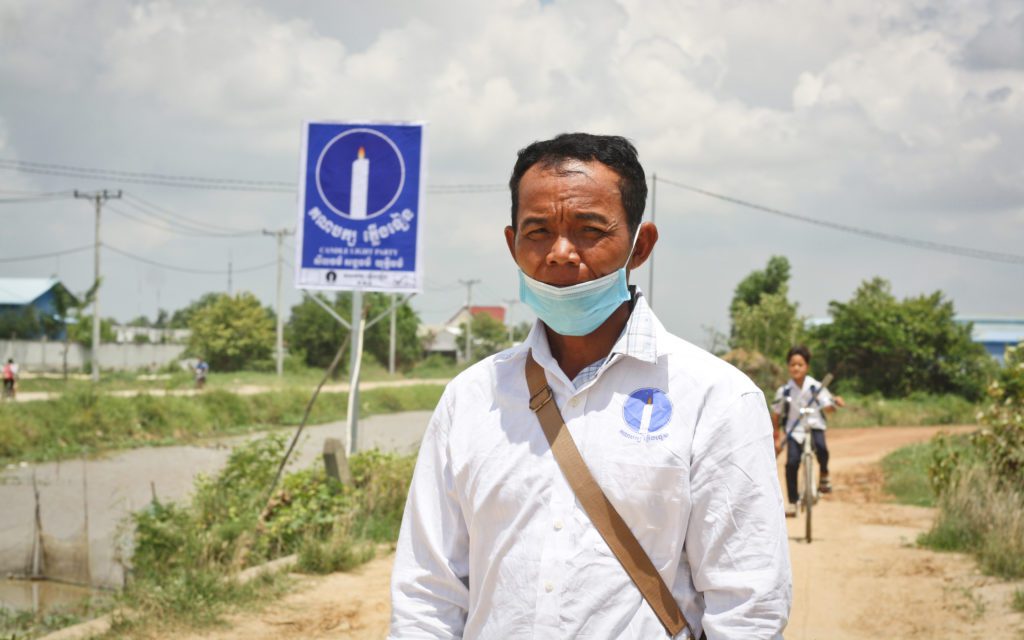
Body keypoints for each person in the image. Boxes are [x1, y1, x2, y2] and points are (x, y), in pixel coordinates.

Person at [390, 133, 791, 639]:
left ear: (639, 246)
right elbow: (428, 593)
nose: (560, 253)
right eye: (537, 231)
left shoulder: (716, 399)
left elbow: (749, 605)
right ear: (512, 244)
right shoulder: (471, 399)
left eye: (589, 229)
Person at [772, 345, 845, 518]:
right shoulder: (784, 391)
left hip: (814, 425)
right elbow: (775, 415)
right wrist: (776, 438)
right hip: (793, 431)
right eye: (792, 364)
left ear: (807, 367)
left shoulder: (816, 387)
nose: (796, 368)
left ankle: (824, 476)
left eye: (800, 364)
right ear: (788, 367)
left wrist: (835, 403)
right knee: (791, 463)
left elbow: (828, 407)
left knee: (822, 448)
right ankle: (792, 502)